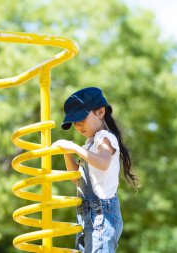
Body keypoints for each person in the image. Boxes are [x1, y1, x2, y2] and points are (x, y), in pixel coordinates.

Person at [51, 87, 138, 252]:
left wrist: (75, 148)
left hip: (102, 216)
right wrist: (67, 153)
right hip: (87, 216)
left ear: (100, 112)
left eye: (81, 118)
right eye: (74, 123)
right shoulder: (90, 144)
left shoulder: (105, 138)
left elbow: (104, 162)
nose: (78, 125)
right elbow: (77, 179)